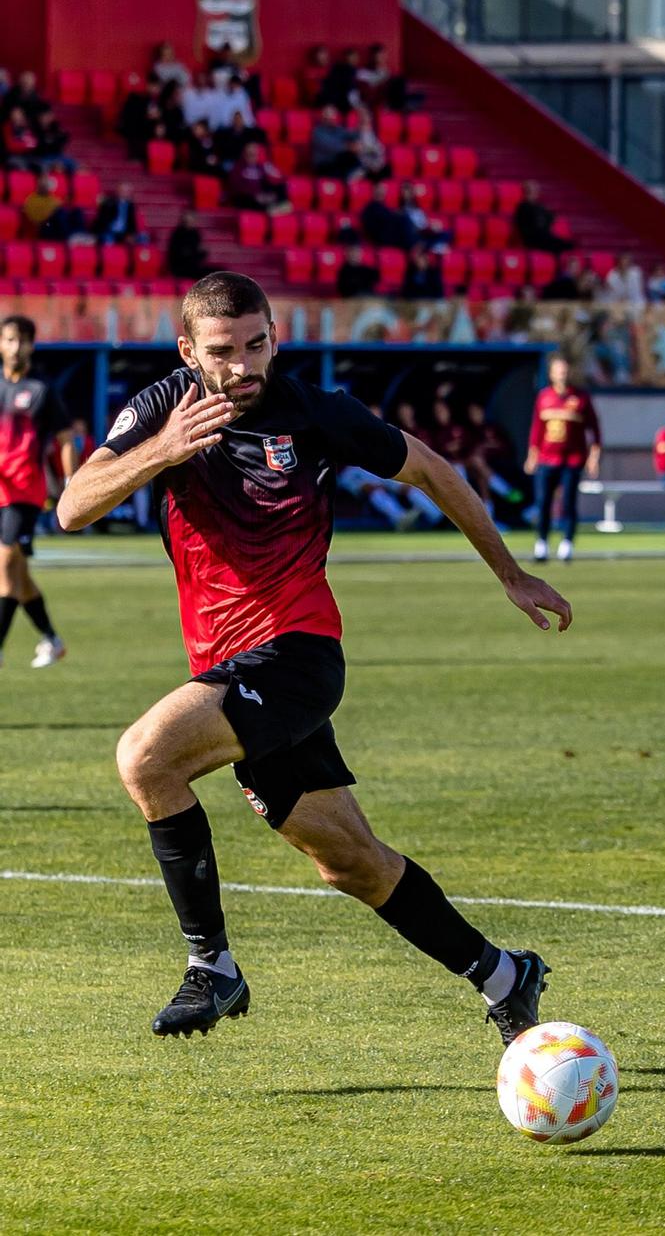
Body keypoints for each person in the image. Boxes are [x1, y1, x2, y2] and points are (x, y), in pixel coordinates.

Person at [54, 272, 571, 1042]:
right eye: (223, 351)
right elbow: (72, 505)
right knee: (352, 862)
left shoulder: (315, 412)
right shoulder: (164, 406)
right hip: (229, 665)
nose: (242, 365)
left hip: (296, 655)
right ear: (187, 350)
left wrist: (511, 573)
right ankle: (504, 974)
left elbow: (431, 466)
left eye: (257, 344)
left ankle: (213, 967)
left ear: (275, 337)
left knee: (146, 759)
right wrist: (160, 451)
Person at [0, 316, 82, 670]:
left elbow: (65, 441)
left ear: (32, 345)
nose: (16, 347)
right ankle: (51, 638)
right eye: (9, 339)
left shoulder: (42, 390)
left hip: (25, 492)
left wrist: (71, 486)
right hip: (0, 491)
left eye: (22, 340)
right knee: (18, 576)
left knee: (4, 567)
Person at [523, 356, 600, 563]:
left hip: (572, 460)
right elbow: (537, 430)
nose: (562, 374)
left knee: (568, 503)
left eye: (565, 371)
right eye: (558, 371)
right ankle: (542, 545)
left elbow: (594, 430)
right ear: (551, 374)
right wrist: (532, 455)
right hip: (547, 460)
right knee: (543, 502)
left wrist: (594, 456)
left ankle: (566, 544)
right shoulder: (544, 397)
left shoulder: (581, 398)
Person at [224, 141, 287, 213]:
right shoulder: (237, 168)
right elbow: (236, 187)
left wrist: (270, 195)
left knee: (281, 188)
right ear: (244, 154)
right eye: (250, 154)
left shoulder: (261, 167)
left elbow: (269, 182)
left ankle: (277, 209)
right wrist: (255, 195)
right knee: (245, 199)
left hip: (261, 198)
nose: (252, 157)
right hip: (247, 199)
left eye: (254, 154)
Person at [512, 181, 571, 254]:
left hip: (544, 235)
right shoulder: (522, 207)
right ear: (525, 192)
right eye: (530, 191)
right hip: (532, 239)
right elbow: (526, 228)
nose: (534, 193)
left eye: (535, 190)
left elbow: (550, 218)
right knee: (559, 245)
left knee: (566, 244)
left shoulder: (540, 206)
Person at [309, 105, 360, 180]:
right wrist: (349, 147)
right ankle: (349, 179)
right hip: (324, 164)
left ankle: (356, 175)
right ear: (323, 118)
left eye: (333, 116)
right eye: (328, 117)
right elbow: (331, 146)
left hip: (336, 162)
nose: (331, 119)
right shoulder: (318, 132)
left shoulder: (337, 129)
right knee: (346, 157)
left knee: (354, 156)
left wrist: (360, 128)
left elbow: (351, 135)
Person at [93, 182, 147, 247]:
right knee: (107, 239)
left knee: (143, 237)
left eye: (127, 191)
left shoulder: (131, 206)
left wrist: (131, 234)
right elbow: (102, 221)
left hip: (124, 233)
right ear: (118, 191)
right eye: (123, 191)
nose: (125, 193)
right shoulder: (109, 203)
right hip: (110, 231)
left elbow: (132, 223)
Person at [167, 212, 211, 280]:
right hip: (180, 268)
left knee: (216, 272)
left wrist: (201, 252)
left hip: (194, 266)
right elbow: (179, 254)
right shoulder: (178, 234)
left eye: (193, 220)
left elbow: (200, 252)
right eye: (189, 220)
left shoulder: (196, 233)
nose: (192, 222)